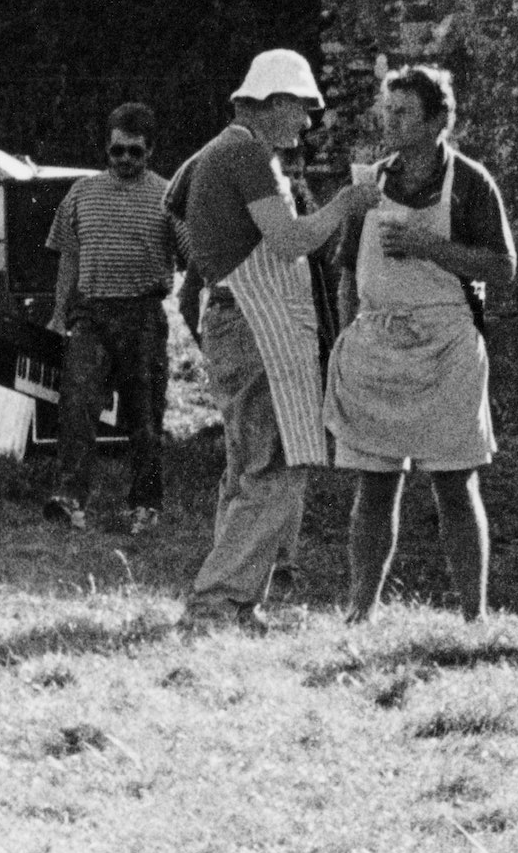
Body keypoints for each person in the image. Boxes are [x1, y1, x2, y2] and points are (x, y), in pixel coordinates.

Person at [171, 51, 380, 633]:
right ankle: (216, 601)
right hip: (254, 327)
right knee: (277, 465)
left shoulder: (221, 152)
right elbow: (289, 242)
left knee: (249, 467)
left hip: (240, 321)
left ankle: (238, 602)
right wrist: (348, 202)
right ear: (272, 101)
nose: (308, 123)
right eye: (302, 107)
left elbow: (175, 204)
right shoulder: (242, 152)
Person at [329, 66, 518, 625]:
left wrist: (428, 246)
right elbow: (346, 270)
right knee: (375, 483)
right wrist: (347, 339)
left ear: (439, 121)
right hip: (377, 345)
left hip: (447, 347)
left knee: (455, 484)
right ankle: (359, 613)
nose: (390, 121)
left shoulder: (470, 182)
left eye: (404, 111)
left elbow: (504, 268)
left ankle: (473, 617)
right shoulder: (367, 183)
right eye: (387, 110)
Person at [43, 100, 183, 533]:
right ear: (106, 149)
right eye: (117, 150)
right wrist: (57, 312)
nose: (125, 159)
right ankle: (70, 499)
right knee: (77, 406)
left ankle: (144, 504)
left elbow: (192, 256)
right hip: (91, 314)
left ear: (150, 152)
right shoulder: (81, 194)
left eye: (134, 152)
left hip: (142, 315)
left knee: (144, 417)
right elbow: (69, 256)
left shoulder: (166, 195)